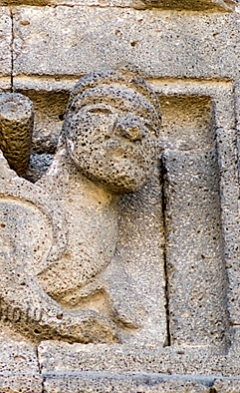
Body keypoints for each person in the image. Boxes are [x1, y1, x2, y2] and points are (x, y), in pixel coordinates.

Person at [36, 69, 161, 328]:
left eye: (148, 124)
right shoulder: (20, 213)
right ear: (68, 126)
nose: (132, 129)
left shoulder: (113, 274)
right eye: (102, 111)